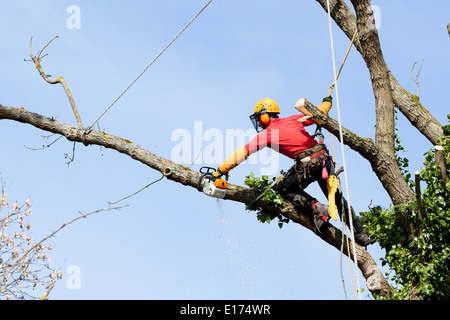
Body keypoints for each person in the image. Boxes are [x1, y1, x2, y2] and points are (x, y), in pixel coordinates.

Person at [213, 97, 373, 246]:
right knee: (337, 199)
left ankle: (318, 208)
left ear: (264, 117)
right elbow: (320, 111)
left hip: (308, 165)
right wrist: (327, 102)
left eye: (259, 120)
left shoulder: (267, 134)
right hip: (324, 161)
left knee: (284, 190)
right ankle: (360, 234)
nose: (260, 124)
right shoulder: (293, 119)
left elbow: (243, 152)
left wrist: (220, 170)